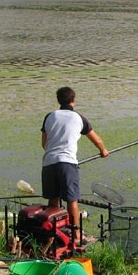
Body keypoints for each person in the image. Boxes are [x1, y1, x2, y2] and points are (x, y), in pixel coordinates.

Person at [40, 87, 108, 251]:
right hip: (67, 163)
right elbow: (96, 139)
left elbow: (44, 143)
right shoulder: (79, 118)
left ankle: (53, 233)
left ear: (58, 101)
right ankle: (76, 236)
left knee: (53, 200)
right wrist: (103, 151)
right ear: (73, 100)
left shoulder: (49, 117)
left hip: (48, 162)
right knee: (72, 200)